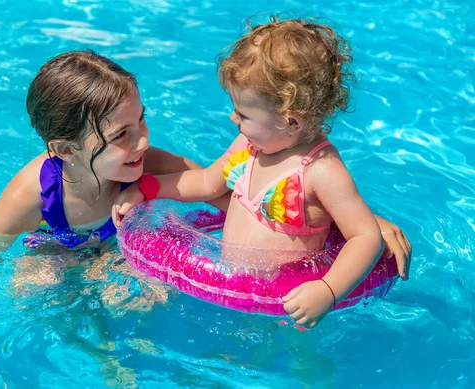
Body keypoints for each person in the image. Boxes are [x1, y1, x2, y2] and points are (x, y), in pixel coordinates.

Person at [0, 49, 410, 372]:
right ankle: (97, 358)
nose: (141, 140)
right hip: (57, 250)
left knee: (143, 296)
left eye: (140, 119)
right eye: (121, 135)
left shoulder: (148, 163)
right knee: (33, 287)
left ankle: (126, 355)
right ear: (65, 149)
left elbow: (237, 195)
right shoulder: (34, 192)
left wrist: (361, 226)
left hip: (122, 252)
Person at [112, 16, 410, 329]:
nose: (232, 118)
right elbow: (204, 183)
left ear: (290, 121)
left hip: (286, 308)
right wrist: (146, 188)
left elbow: (364, 237)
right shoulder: (249, 144)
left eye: (243, 114)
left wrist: (328, 290)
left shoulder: (321, 171)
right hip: (229, 286)